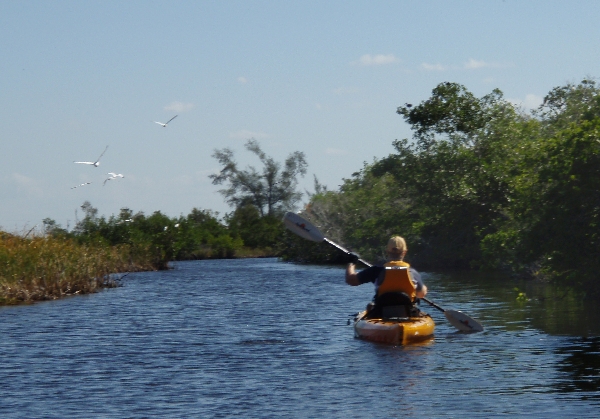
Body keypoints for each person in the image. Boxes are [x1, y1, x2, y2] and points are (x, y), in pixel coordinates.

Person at [345, 236, 427, 301]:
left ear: (387, 251)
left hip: (382, 313)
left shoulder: (376, 271)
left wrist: (351, 262)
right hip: (407, 313)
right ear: (404, 252)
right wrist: (423, 288)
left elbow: (351, 280)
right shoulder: (412, 273)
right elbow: (421, 294)